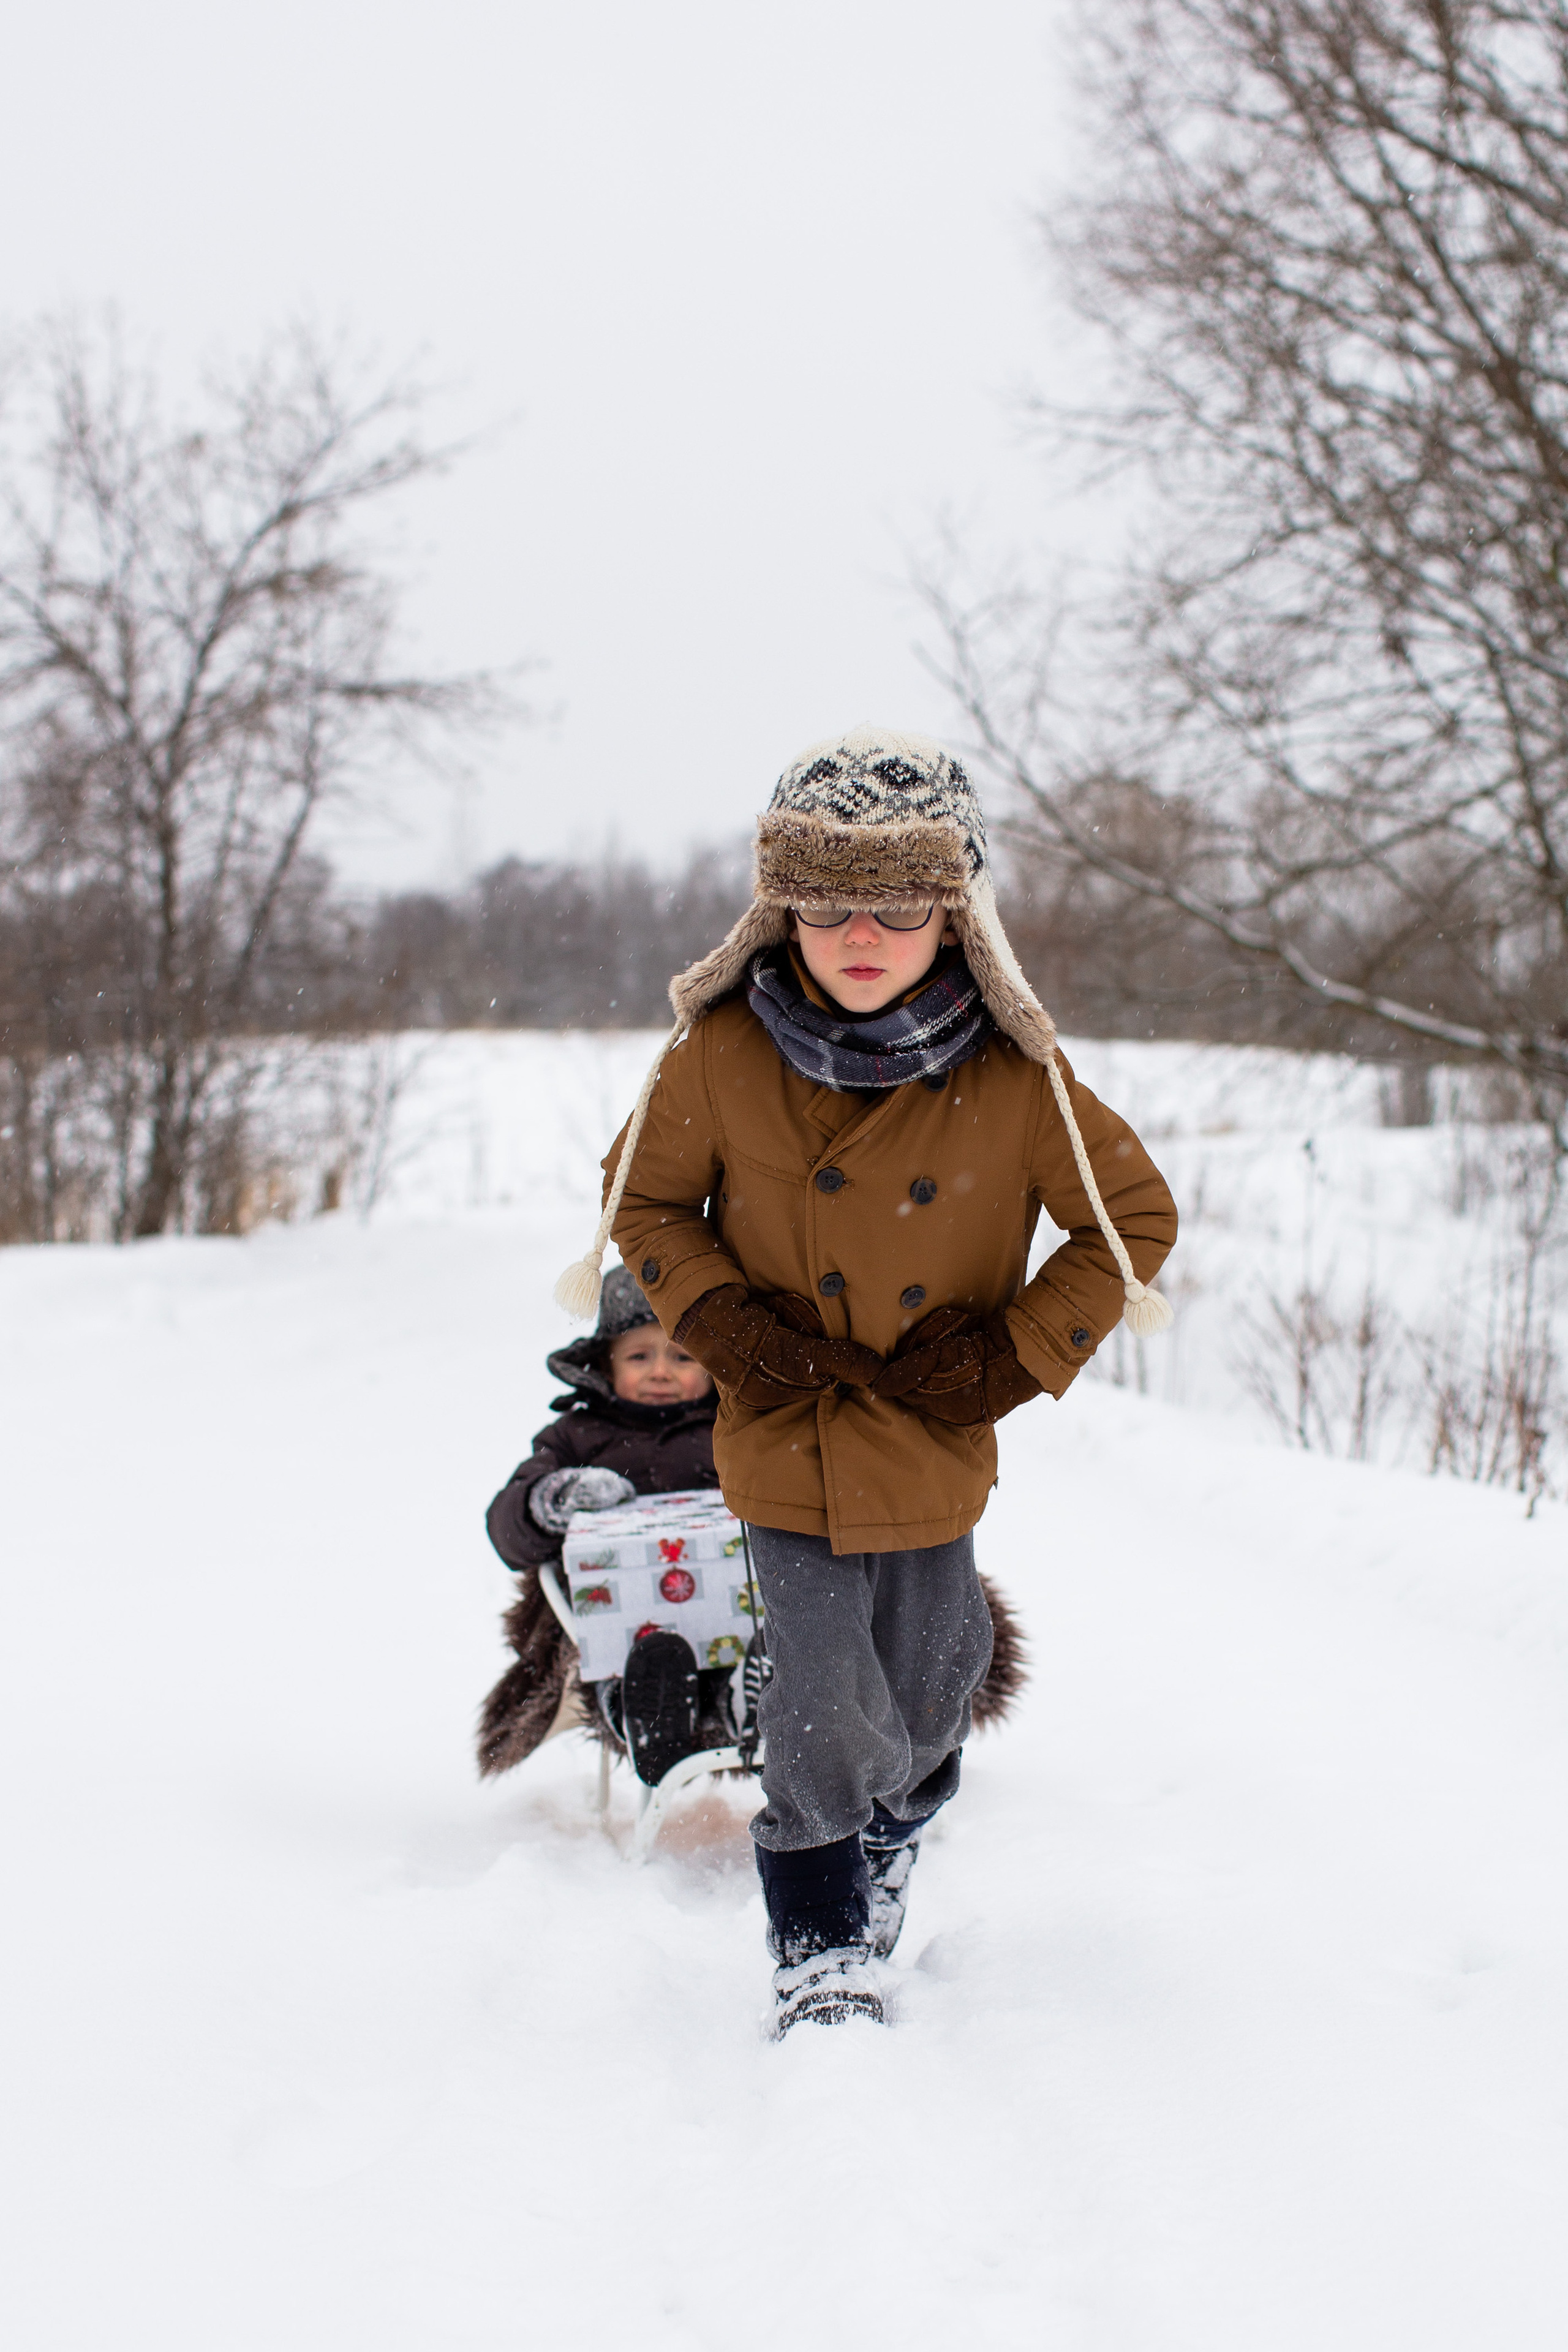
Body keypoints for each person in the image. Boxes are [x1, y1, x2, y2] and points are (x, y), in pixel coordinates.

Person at [553, 725, 1178, 2034]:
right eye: (827, 905)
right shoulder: (718, 1055)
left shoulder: (1017, 1078)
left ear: (952, 919)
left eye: (894, 907)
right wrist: (723, 1322)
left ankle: (898, 1825)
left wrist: (1007, 1356)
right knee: (825, 1696)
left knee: (931, 1679)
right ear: (780, 910)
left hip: (933, 1427)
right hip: (788, 1422)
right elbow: (645, 1205)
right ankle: (823, 1937)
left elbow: (1130, 1230)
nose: (859, 935)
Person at [478, 1262, 1027, 1786]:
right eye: (640, 1356)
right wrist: (551, 1499)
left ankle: (757, 1701)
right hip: (638, 1627)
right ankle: (640, 1715)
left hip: (748, 1608)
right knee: (652, 1653)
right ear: (606, 1364)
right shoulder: (577, 1436)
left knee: (784, 1624)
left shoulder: (733, 1425)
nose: (660, 1372)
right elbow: (508, 1527)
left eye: (680, 1357)